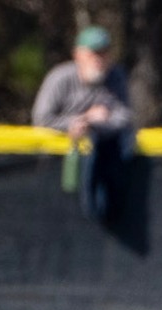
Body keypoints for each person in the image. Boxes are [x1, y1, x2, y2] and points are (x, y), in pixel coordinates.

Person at [32, 26, 137, 223]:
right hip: (58, 161)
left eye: (104, 53)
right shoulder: (60, 78)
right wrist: (78, 121)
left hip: (102, 159)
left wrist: (96, 124)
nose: (99, 59)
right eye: (93, 53)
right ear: (78, 55)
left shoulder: (116, 77)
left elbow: (124, 116)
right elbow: (41, 119)